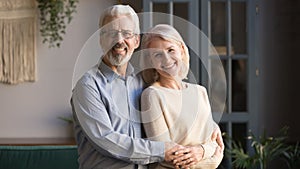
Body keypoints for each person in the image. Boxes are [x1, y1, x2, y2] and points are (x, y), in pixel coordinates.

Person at [71, 4, 223, 169]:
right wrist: (162, 150)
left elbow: (179, 111)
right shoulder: (88, 86)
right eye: (111, 33)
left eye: (127, 34)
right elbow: (106, 139)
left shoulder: (142, 82)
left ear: (136, 41)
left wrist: (211, 126)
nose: (119, 40)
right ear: (101, 40)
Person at [140, 24, 224, 169]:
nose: (167, 60)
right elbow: (166, 156)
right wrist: (212, 161)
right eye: (158, 55)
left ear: (182, 50)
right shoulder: (152, 95)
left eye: (171, 50)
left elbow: (214, 142)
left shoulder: (200, 92)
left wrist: (202, 150)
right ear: (150, 61)